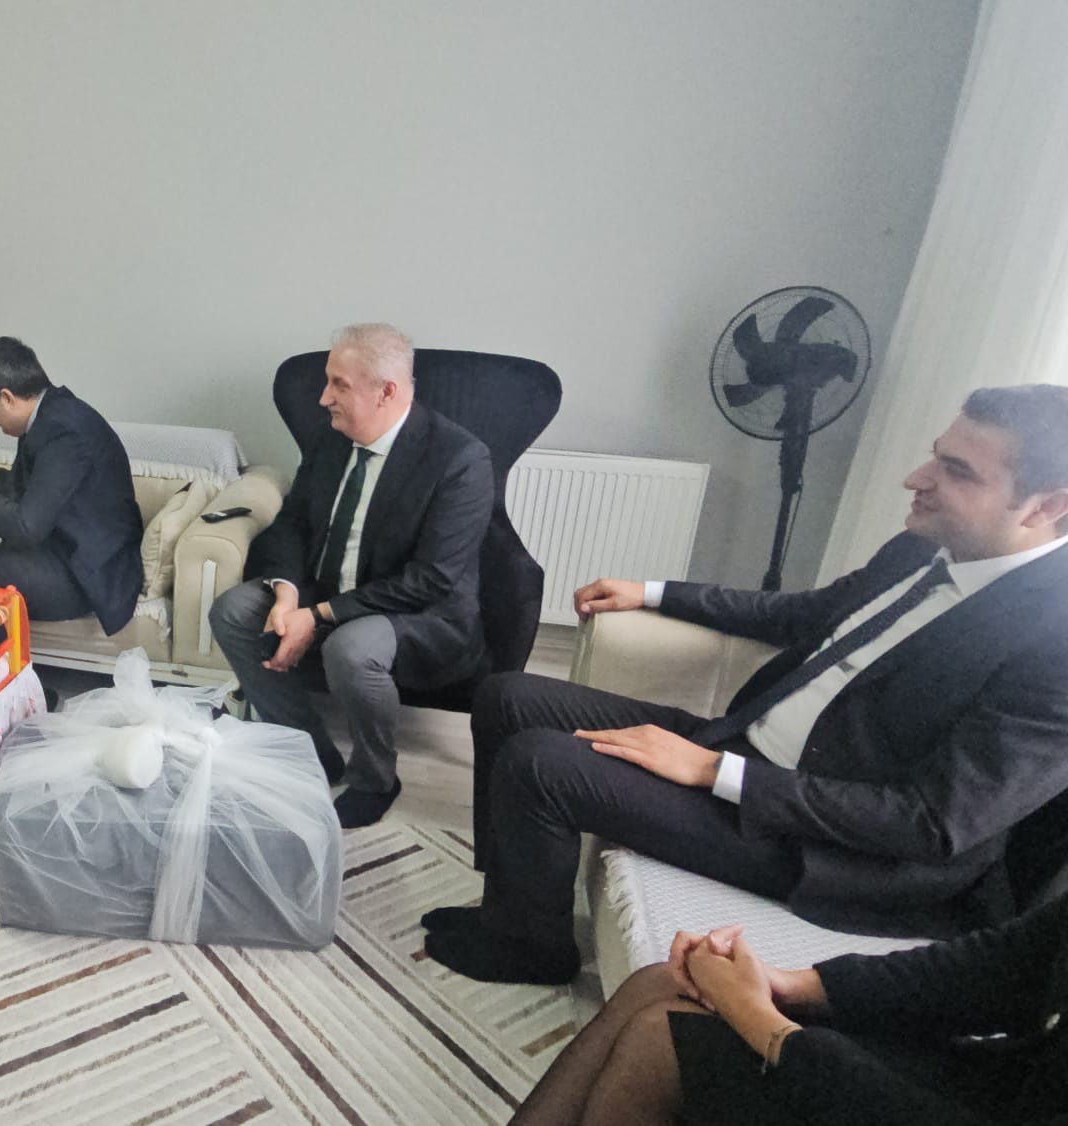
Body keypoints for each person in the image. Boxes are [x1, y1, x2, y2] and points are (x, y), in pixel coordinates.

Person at [424, 384, 1068, 986]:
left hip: (829, 846)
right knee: (508, 696)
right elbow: (805, 613)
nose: (917, 479)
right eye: (936, 456)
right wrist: (654, 593)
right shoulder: (924, 548)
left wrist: (714, 772)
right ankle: (510, 904)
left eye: (958, 472)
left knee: (540, 763)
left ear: (1047, 506)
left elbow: (932, 823)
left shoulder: (1053, 642)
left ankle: (532, 952)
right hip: (746, 748)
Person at [210, 324, 494, 828]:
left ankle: (375, 777)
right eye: (328, 381)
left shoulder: (459, 459)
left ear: (386, 392)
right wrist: (286, 596)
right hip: (328, 587)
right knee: (232, 610)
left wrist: (317, 616)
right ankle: (308, 750)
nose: (324, 398)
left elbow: (431, 580)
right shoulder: (333, 440)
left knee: (351, 649)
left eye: (339, 385)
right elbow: (293, 524)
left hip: (418, 612)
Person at [513, 903, 1068, 1125]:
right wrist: (789, 984)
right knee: (664, 983)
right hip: (997, 1081)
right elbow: (1007, 965)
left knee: (659, 1044)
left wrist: (767, 1025)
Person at [0, 336, 143, 631]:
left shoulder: (64, 432)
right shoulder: (52, 414)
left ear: (6, 398)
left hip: (86, 571)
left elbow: (26, 527)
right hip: (62, 548)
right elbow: (38, 493)